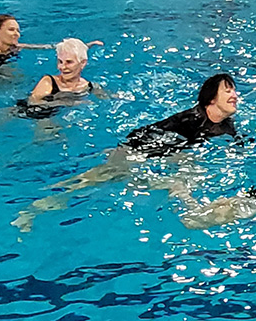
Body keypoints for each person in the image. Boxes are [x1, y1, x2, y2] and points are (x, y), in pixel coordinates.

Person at [13, 73, 243, 232]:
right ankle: (33, 209)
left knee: (182, 182)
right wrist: (126, 155)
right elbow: (148, 136)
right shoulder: (190, 119)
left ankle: (194, 211)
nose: (235, 95)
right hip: (134, 153)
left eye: (234, 90)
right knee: (89, 182)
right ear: (211, 98)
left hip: (156, 159)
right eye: (228, 90)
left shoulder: (226, 125)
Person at [0, 14, 102, 77]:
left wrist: (83, 47)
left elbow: (46, 47)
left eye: (18, 30)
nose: (16, 34)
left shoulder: (15, 47)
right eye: (11, 29)